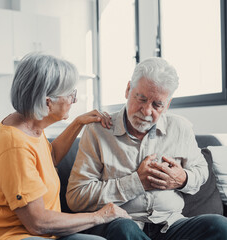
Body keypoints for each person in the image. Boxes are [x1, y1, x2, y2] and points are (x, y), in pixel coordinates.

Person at [66, 57, 227, 240]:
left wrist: (183, 179)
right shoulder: (98, 130)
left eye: (157, 104)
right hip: (124, 222)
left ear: (167, 104)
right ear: (128, 90)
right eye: (141, 99)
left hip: (171, 223)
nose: (147, 111)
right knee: (124, 229)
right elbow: (76, 197)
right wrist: (136, 183)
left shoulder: (180, 128)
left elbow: (201, 171)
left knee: (220, 226)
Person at [0, 52, 131, 240]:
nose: (74, 100)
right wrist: (100, 216)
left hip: (43, 232)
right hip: (14, 235)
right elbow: (38, 223)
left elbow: (48, 159)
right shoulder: (15, 146)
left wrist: (77, 123)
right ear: (47, 102)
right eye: (70, 94)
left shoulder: (28, 124)